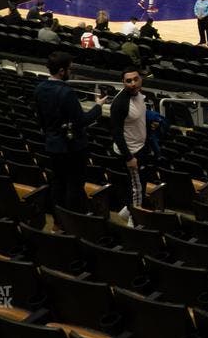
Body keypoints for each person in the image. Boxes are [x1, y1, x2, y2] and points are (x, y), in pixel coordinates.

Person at [34, 51, 107, 212]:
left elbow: (40, 119)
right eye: (70, 69)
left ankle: (58, 221)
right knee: (74, 183)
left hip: (52, 144)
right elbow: (82, 121)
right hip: (72, 147)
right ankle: (74, 219)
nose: (71, 71)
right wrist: (98, 106)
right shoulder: (66, 92)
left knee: (58, 182)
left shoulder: (39, 88)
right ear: (62, 71)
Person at [109, 68, 152, 222]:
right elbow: (116, 133)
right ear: (123, 82)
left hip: (140, 147)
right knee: (137, 189)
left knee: (141, 183)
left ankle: (127, 211)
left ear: (141, 79)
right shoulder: (120, 104)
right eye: (129, 81)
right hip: (130, 152)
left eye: (136, 79)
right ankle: (134, 221)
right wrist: (129, 157)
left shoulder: (139, 94)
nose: (133, 83)